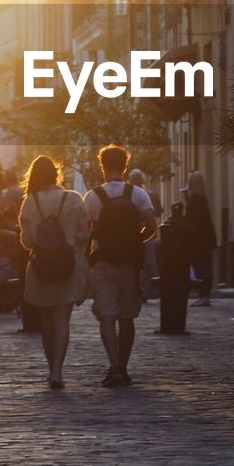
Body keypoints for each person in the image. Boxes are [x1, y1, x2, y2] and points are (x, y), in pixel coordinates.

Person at [82, 144, 157, 387]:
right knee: (127, 316)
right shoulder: (137, 194)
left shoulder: (93, 196)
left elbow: (85, 233)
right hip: (128, 264)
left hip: (102, 263)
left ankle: (113, 364)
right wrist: (136, 240)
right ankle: (124, 366)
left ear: (102, 166)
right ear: (125, 166)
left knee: (107, 315)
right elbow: (152, 226)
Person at [18, 155, 89, 390]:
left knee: (46, 322)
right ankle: (58, 369)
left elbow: (27, 241)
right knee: (62, 321)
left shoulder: (29, 202)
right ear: (56, 174)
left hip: (40, 266)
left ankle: (51, 369)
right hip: (67, 264)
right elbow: (83, 235)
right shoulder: (73, 199)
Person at [184, 170, 218, 305]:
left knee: (201, 267)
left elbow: (194, 221)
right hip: (205, 239)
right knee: (204, 266)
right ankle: (204, 295)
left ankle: (204, 296)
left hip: (199, 240)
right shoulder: (202, 198)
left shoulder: (196, 200)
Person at [128, 167, 162, 298]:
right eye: (134, 179)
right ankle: (136, 290)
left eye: (138, 178)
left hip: (147, 233)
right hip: (131, 233)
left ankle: (149, 291)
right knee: (134, 263)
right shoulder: (127, 194)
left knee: (149, 263)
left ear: (142, 180)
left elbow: (158, 212)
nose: (136, 181)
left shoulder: (151, 194)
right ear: (130, 181)